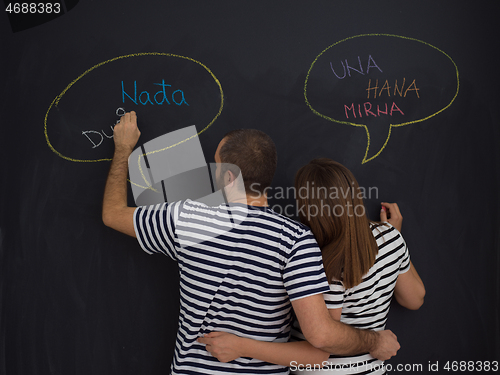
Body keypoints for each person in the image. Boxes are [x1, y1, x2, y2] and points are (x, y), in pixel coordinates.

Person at [102, 112, 400, 374]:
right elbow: (318, 346)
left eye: (215, 166)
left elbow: (112, 214)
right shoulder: (297, 241)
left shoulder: (186, 219)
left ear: (228, 176)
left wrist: (123, 149)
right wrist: (374, 339)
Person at [198, 158, 425, 374]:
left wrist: (241, 347)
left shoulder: (327, 264)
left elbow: (323, 344)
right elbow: (414, 299)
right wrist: (397, 238)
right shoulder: (391, 238)